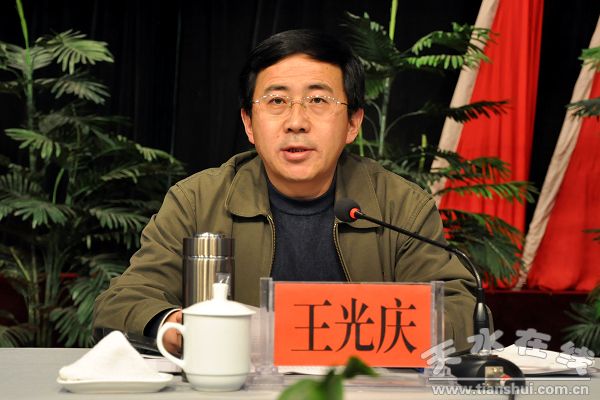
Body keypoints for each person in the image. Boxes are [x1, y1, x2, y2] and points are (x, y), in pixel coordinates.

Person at [93, 29, 479, 356]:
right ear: (249, 123)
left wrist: (319, 331)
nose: (296, 122)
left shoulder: (400, 206)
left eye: (318, 100)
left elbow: (461, 312)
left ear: (353, 123)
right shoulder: (196, 201)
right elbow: (119, 304)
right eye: (276, 101)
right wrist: (178, 328)